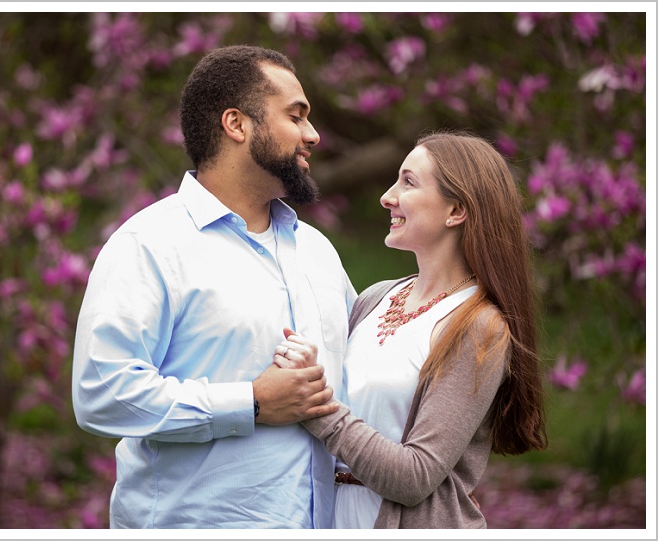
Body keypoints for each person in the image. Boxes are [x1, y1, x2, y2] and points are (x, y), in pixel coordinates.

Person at [71, 45, 357, 529]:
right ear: (237, 124)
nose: (313, 134)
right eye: (296, 115)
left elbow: (355, 385)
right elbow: (102, 391)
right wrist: (249, 403)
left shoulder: (318, 253)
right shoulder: (149, 245)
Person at [273, 130, 548, 528]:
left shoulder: (477, 326)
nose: (387, 196)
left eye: (408, 182)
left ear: (456, 211)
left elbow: (414, 477)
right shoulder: (375, 299)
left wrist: (316, 407)